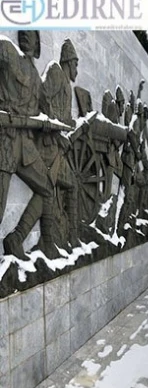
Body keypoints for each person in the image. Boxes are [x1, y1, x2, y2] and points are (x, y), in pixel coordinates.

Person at [0, 31, 55, 260]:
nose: (24, 37)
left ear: (37, 41)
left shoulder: (36, 77)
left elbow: (46, 110)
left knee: (48, 188)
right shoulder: (8, 52)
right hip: (5, 140)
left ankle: (17, 238)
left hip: (25, 145)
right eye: (21, 33)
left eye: (30, 34)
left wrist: (47, 125)